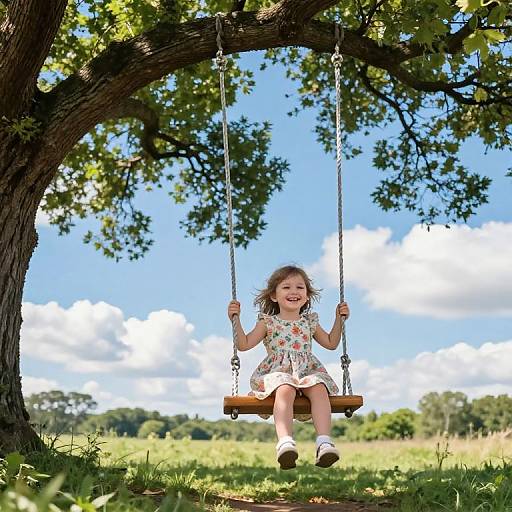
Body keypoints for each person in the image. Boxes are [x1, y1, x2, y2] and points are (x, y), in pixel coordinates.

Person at [227, 265, 350, 470]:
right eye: (286, 287)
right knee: (285, 388)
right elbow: (244, 344)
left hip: (307, 371)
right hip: (279, 372)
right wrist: (235, 320)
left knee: (320, 388)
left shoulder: (309, 322)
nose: (294, 292)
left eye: (300, 287)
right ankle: (285, 442)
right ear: (274, 296)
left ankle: (324, 443)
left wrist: (339, 320)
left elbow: (330, 343)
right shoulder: (268, 322)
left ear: (307, 296)